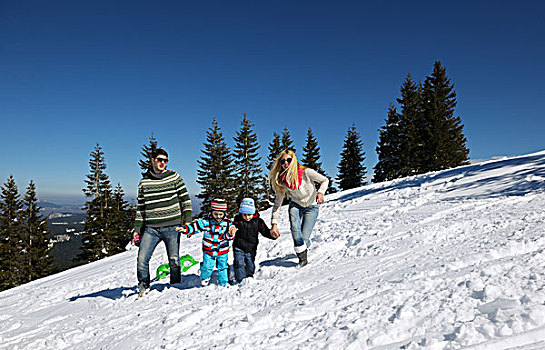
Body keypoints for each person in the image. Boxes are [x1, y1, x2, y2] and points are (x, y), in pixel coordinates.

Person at [134, 148, 192, 296]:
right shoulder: (144, 183)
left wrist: (188, 222)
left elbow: (185, 200)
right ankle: (144, 286)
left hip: (172, 227)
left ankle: (175, 285)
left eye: (165, 160)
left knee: (174, 260)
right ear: (152, 160)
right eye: (160, 160)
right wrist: (137, 229)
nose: (163, 163)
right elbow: (141, 208)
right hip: (151, 229)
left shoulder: (174, 178)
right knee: (142, 259)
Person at [269, 150, 328, 267]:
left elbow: (324, 180)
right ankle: (302, 259)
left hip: (312, 206)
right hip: (296, 205)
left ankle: (305, 245)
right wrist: (274, 224)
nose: (286, 163)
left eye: (289, 160)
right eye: (283, 161)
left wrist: (320, 193)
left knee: (304, 239)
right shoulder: (282, 180)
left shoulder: (306, 172)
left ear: (294, 160)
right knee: (295, 229)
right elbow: (277, 204)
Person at [177, 199, 235, 287]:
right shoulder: (206, 222)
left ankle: (223, 282)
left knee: (222, 266)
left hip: (222, 250)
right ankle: (205, 277)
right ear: (211, 212)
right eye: (216, 214)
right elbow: (195, 226)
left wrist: (231, 233)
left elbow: (228, 237)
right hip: (208, 250)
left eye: (221, 214)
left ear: (224, 213)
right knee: (207, 266)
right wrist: (185, 229)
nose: (218, 216)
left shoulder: (227, 223)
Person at [231, 198, 277, 283]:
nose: (247, 217)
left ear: (253, 212)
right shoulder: (238, 220)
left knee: (250, 264)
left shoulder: (258, 221)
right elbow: (232, 226)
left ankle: (249, 277)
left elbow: (265, 231)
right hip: (239, 246)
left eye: (249, 214)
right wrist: (232, 230)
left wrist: (272, 235)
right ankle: (240, 280)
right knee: (239, 263)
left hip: (251, 248)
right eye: (244, 215)